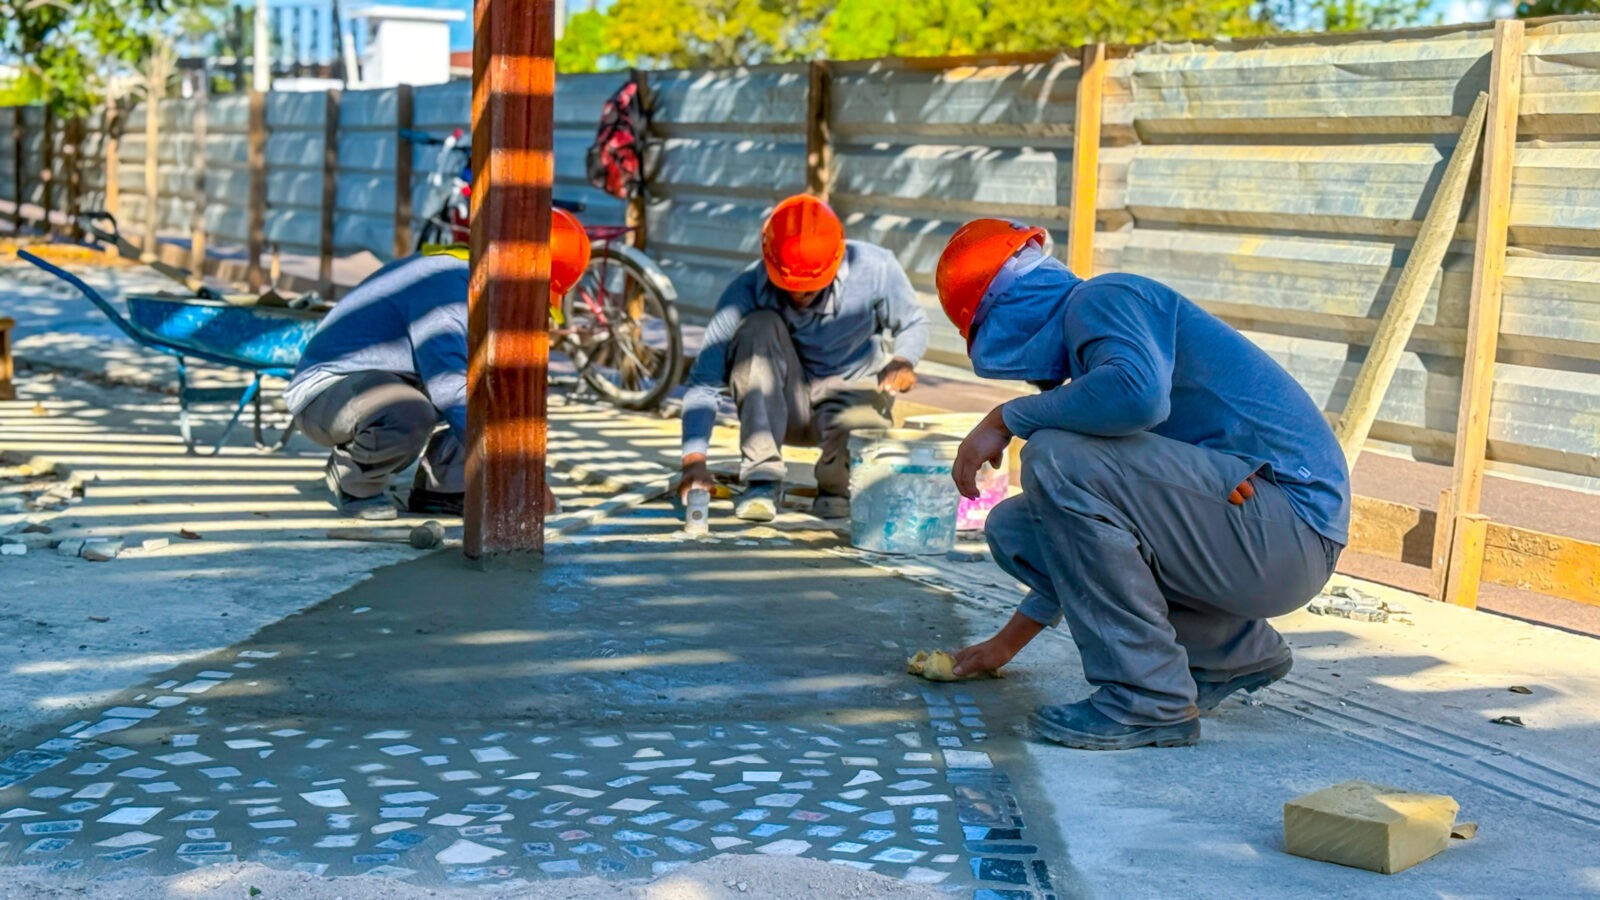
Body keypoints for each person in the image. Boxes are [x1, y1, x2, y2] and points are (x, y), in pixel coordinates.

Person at [935, 219, 1349, 750]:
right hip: (1259, 535)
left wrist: (1005, 418)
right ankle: (1229, 651)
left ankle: (1146, 701)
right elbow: (1086, 546)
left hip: (1287, 525)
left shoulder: (1105, 297)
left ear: (1003, 314)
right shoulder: (1098, 349)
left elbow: (1137, 397)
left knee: (1055, 456)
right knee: (1017, 525)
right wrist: (1004, 646)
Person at [283, 210, 591, 520]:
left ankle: (441, 488)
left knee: (496, 386)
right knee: (411, 410)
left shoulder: (478, 286)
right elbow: (448, 387)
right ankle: (355, 480)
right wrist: (518, 475)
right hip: (328, 393)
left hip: (390, 382)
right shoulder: (447, 290)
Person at [677, 194, 930, 521]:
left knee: (860, 427)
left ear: (837, 261)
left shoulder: (877, 268)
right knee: (758, 327)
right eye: (788, 286)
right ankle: (762, 481)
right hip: (785, 406)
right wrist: (693, 462)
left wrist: (904, 360)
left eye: (809, 289)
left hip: (848, 403)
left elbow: (914, 322)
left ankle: (835, 487)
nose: (798, 295)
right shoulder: (746, 289)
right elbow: (703, 385)